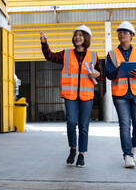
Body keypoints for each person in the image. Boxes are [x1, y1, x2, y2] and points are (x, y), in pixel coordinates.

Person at [39, 25, 102, 167]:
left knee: (84, 126)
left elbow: (100, 76)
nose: (77, 37)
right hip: (71, 94)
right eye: (76, 35)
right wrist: (44, 43)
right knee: (72, 122)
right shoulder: (66, 54)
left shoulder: (93, 55)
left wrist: (96, 74)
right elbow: (50, 56)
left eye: (81, 35)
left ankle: (82, 154)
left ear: (86, 38)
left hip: (87, 95)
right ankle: (73, 149)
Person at [105, 21, 136, 168]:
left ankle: (135, 146)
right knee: (124, 125)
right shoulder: (111, 54)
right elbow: (108, 74)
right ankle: (127, 156)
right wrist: (118, 71)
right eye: (120, 32)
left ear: (132, 35)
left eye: (125, 32)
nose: (122, 34)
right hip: (120, 95)